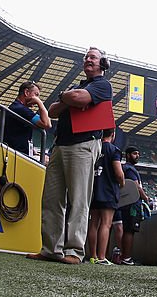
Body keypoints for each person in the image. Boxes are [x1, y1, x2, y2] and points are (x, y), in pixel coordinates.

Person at [27, 47, 113, 265]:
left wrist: (67, 97)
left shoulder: (103, 84)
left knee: (78, 199)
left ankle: (74, 250)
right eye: (86, 57)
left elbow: (79, 98)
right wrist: (69, 98)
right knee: (51, 199)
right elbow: (53, 111)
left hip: (83, 144)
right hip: (60, 144)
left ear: (103, 63)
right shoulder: (77, 87)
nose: (88, 60)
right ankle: (50, 249)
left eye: (92, 57)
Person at [86, 140, 124, 265]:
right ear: (113, 135)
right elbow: (119, 173)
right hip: (108, 192)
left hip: (94, 190)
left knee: (93, 225)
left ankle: (92, 256)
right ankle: (102, 257)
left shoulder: (94, 147)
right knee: (106, 224)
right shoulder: (114, 150)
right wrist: (122, 183)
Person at [112, 145, 148, 265]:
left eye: (138, 154)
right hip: (133, 203)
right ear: (127, 155)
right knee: (129, 230)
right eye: (134, 153)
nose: (137, 156)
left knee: (127, 229)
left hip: (126, 203)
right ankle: (126, 258)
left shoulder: (124, 168)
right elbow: (136, 186)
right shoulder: (130, 169)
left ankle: (123, 256)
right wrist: (145, 197)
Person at [3, 81, 52, 158]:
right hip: (17, 154)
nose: (37, 98)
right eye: (36, 95)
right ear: (26, 92)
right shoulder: (19, 109)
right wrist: (40, 103)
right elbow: (47, 124)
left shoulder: (19, 108)